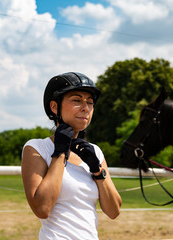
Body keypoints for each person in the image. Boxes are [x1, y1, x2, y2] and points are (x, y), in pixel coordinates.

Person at [21, 72, 122, 240]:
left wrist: (97, 171)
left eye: (90, 102)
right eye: (76, 100)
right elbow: (42, 209)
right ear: (54, 107)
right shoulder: (37, 148)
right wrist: (60, 152)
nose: (85, 107)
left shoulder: (95, 151)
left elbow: (114, 211)